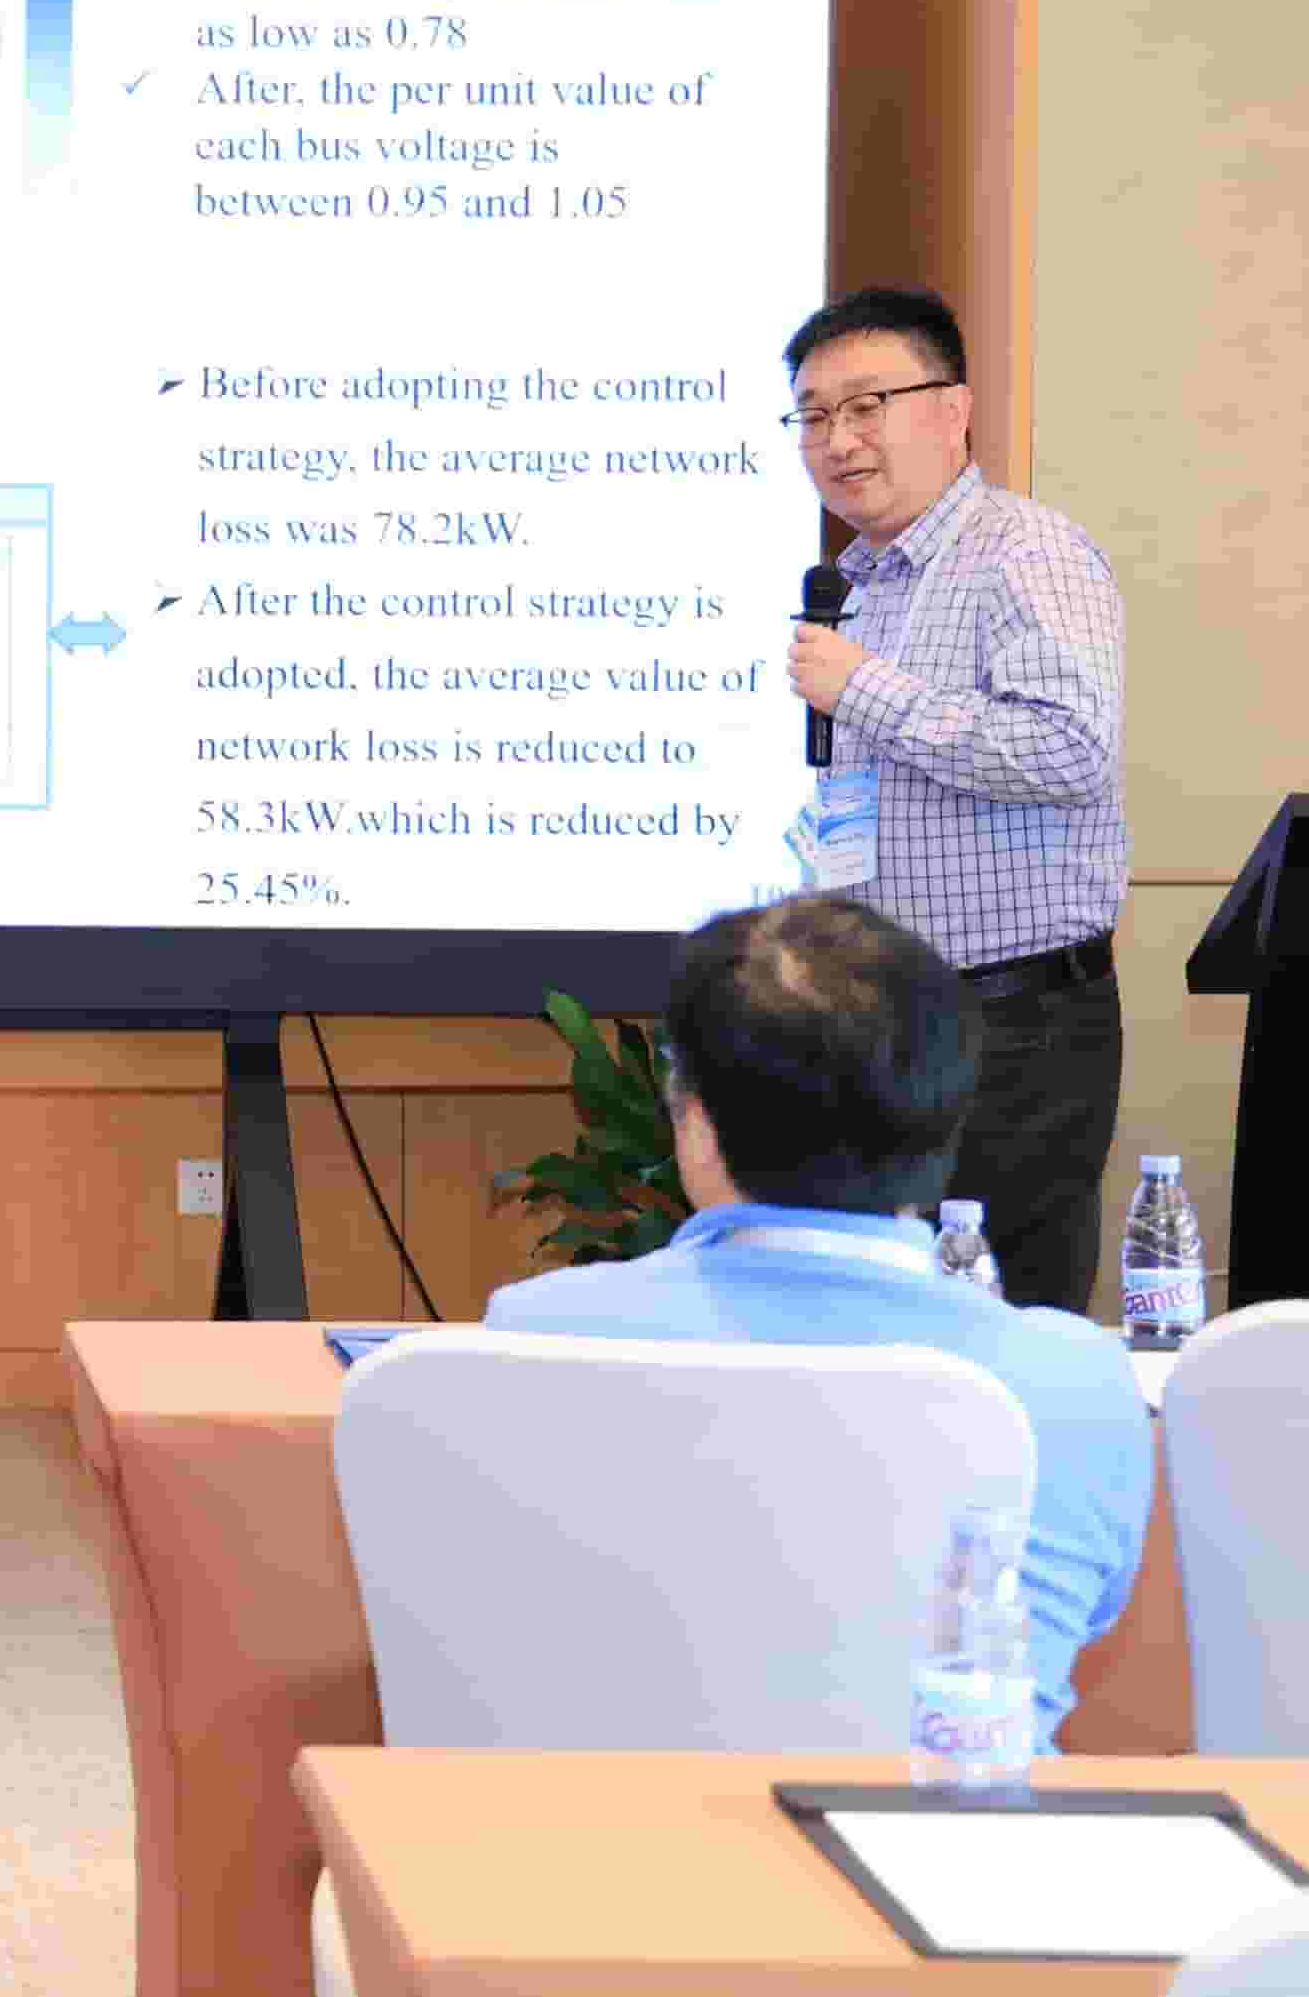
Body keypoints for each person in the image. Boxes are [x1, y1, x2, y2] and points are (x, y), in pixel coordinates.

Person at [489, 893, 1153, 1745]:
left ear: (694, 1116)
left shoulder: (538, 1336)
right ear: (949, 1117)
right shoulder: (1076, 1381)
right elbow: (1079, 1627)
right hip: (954, 1829)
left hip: (615, 1826)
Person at [777, 286, 1131, 1317]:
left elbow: (1068, 750)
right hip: (883, 1019)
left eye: (866, 405)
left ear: (953, 408)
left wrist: (866, 690)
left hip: (1012, 1029)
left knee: (997, 1325)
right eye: (813, 414)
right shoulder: (858, 582)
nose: (838, 439)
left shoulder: (1025, 554)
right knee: (885, 1328)